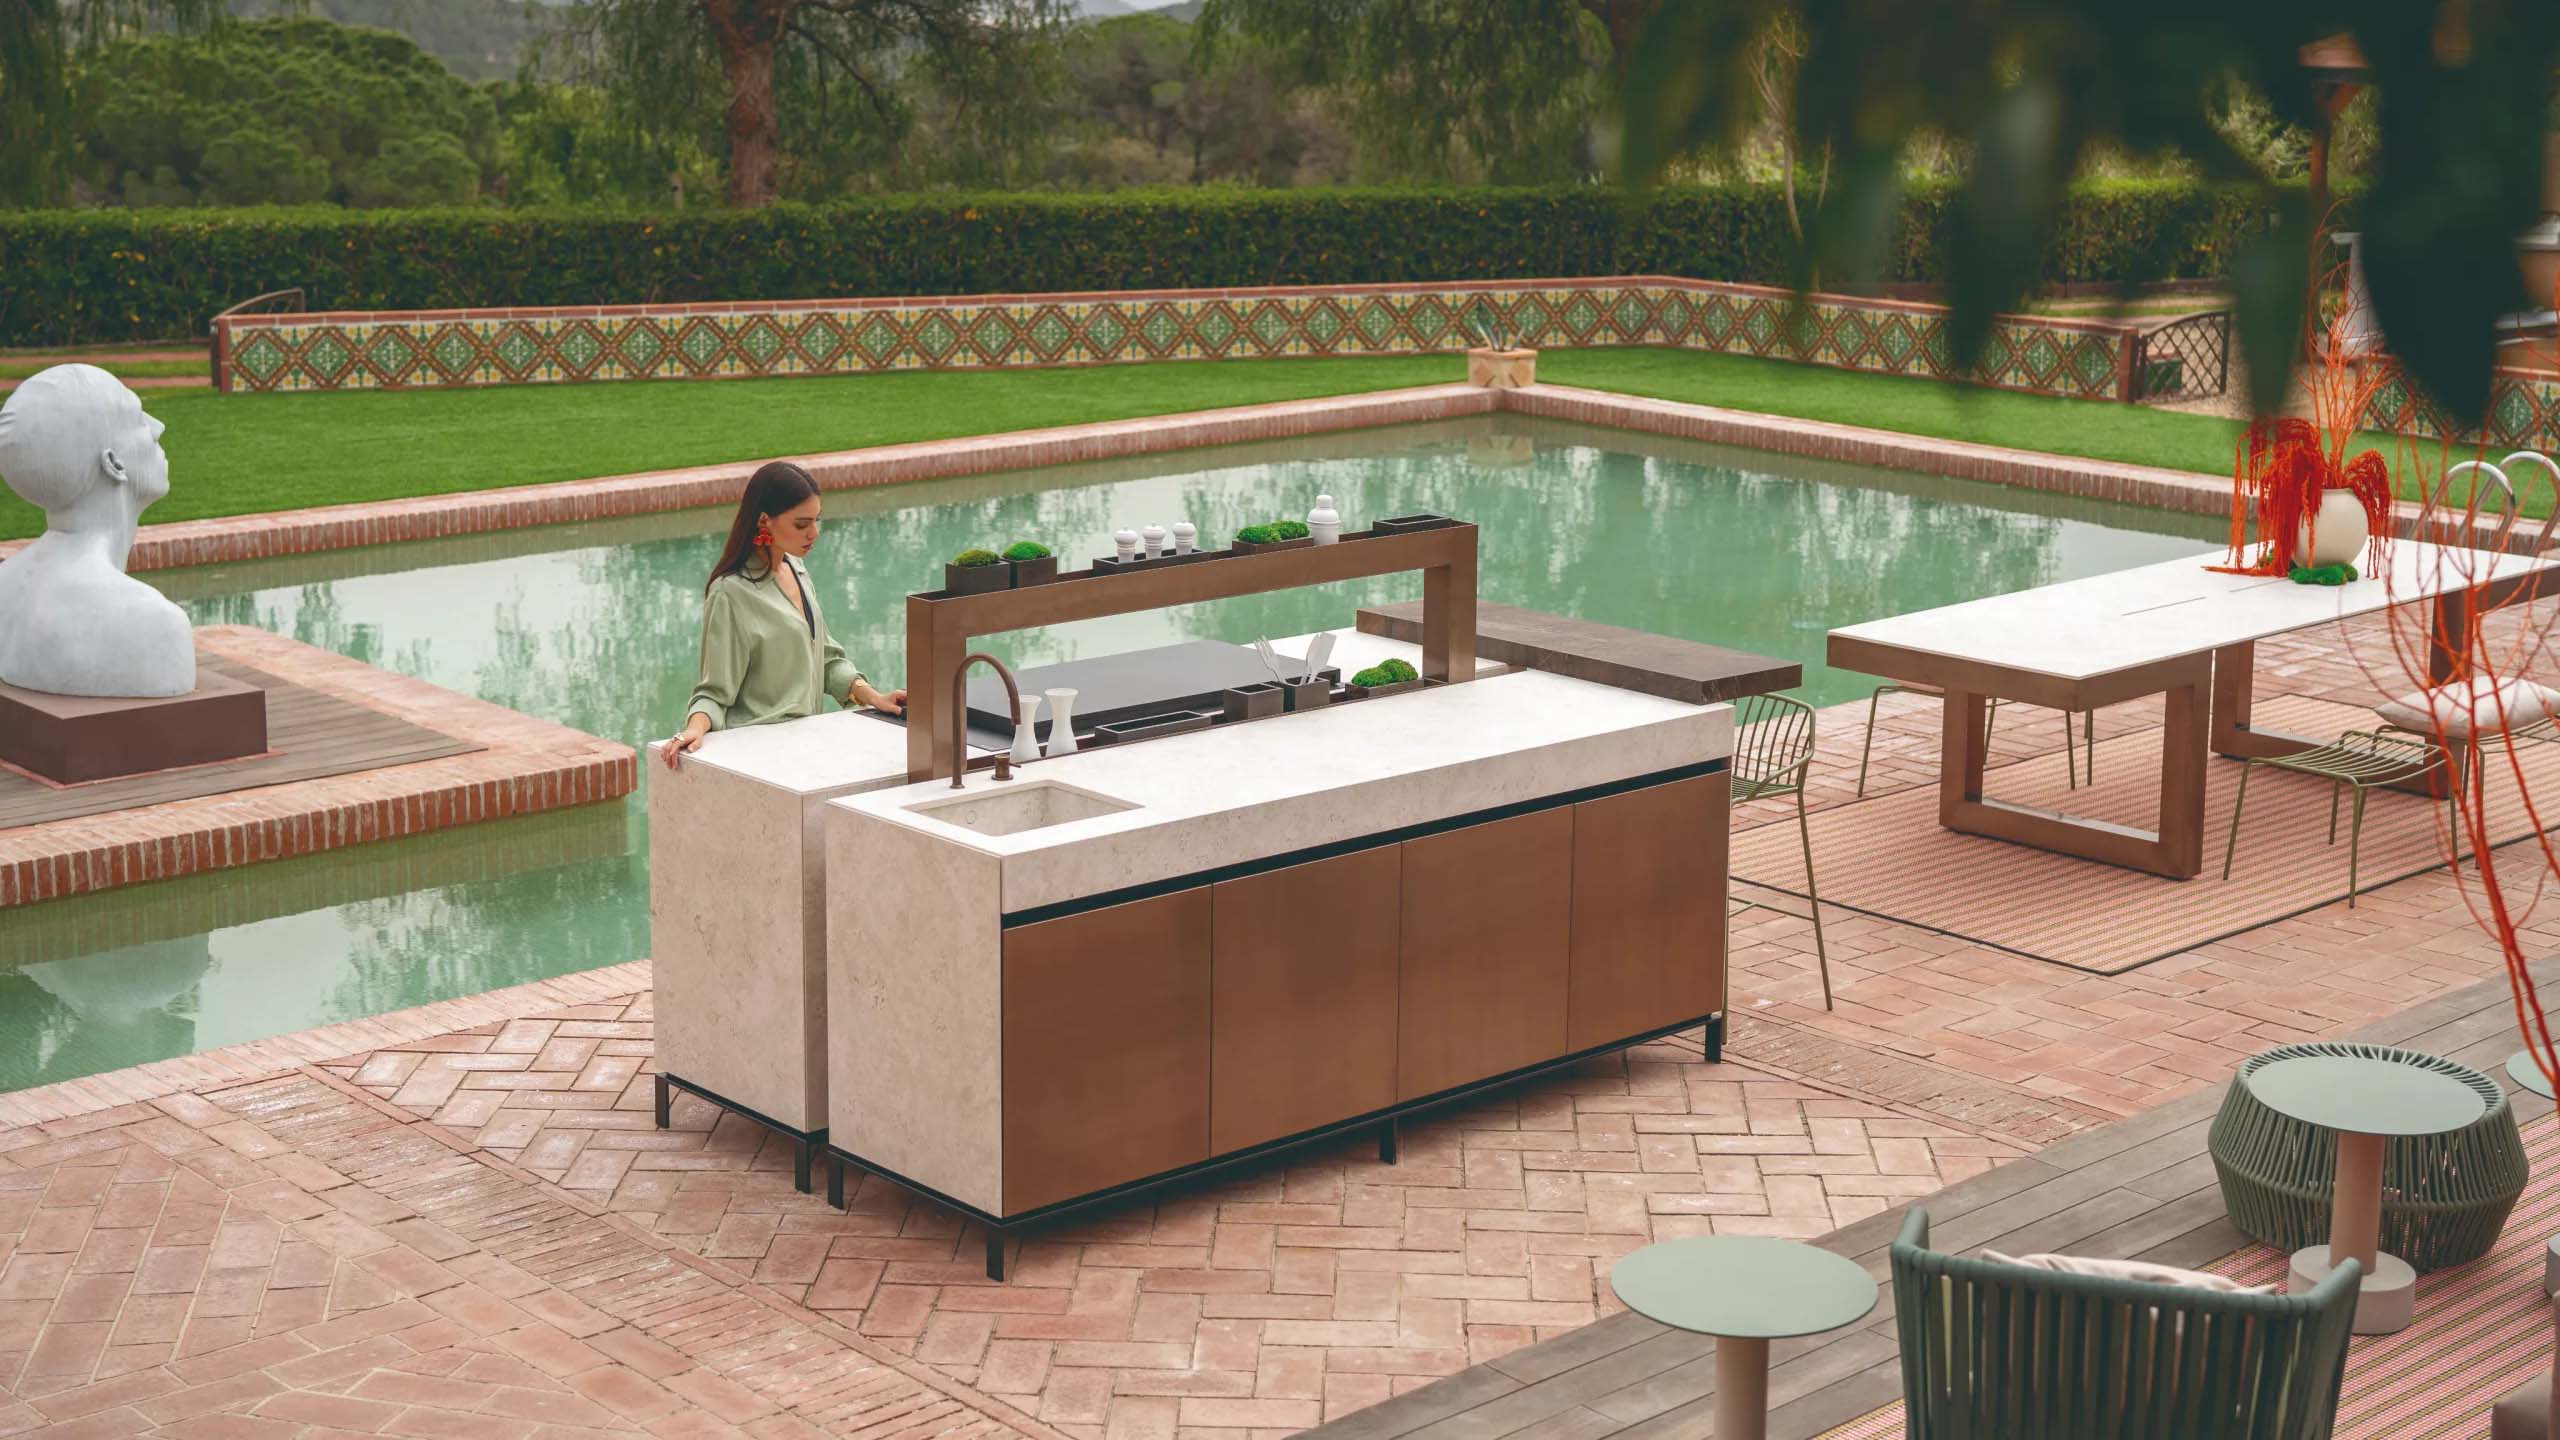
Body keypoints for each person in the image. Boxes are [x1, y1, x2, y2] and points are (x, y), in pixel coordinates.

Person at [662, 461, 904, 769]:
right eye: (801, 525)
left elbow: (827, 659)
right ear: (765, 521)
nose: (814, 533)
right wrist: (693, 729)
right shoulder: (731, 593)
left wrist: (874, 697)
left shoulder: (796, 568)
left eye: (817, 520)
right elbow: (715, 691)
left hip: (806, 749)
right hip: (760, 757)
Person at [0, 364, 194, 698]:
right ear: (114, 464)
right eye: (137, 419)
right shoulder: (152, 621)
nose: (157, 427)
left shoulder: (6, 583)